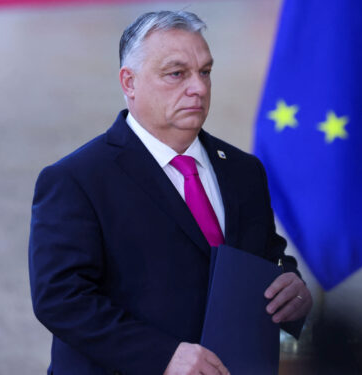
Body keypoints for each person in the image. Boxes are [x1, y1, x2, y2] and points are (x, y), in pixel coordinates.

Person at [29, 10, 312, 375]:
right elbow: (61, 300)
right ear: (129, 83)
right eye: (177, 74)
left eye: (205, 72)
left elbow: (266, 256)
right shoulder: (76, 179)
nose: (199, 87)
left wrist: (293, 287)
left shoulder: (244, 171)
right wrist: (161, 356)